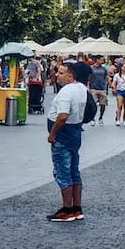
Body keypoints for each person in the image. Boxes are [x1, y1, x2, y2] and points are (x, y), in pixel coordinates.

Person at [46, 62, 88, 222]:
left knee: (62, 172)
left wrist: (52, 133)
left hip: (63, 134)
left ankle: (67, 209)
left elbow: (62, 116)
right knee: (74, 171)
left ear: (70, 76)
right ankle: (77, 208)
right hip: (75, 132)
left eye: (61, 73)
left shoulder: (66, 92)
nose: (57, 75)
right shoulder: (81, 89)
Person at [88, 57, 110, 125]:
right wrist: (88, 87)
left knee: (103, 104)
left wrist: (110, 84)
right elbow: (89, 78)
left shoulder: (103, 69)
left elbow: (106, 77)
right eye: (100, 59)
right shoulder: (91, 68)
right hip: (93, 88)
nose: (102, 60)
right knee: (93, 104)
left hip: (102, 88)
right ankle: (92, 118)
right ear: (97, 60)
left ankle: (101, 117)